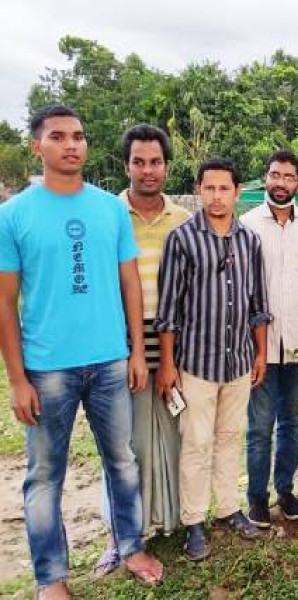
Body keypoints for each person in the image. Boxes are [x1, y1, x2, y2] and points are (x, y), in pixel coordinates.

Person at [0, 105, 163, 599]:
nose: (72, 144)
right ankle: (51, 578)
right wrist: (17, 379)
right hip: (48, 368)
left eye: (79, 136)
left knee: (123, 461)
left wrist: (136, 351)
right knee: (45, 476)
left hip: (111, 361)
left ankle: (131, 546)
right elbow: (5, 302)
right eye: (58, 136)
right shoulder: (13, 215)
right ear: (38, 146)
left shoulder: (109, 208)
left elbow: (129, 282)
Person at [155, 158, 271, 560]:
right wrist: (168, 364)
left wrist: (260, 352)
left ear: (238, 192)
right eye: (210, 188)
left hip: (239, 361)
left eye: (225, 188)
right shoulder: (182, 239)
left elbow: (258, 304)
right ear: (199, 190)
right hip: (196, 364)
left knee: (229, 438)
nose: (217, 196)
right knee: (197, 442)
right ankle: (193, 523)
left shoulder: (250, 241)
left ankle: (227, 509)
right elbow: (169, 308)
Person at [94, 124, 192, 577]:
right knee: (125, 442)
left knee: (172, 435)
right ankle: (122, 535)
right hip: (120, 340)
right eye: (139, 162)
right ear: (126, 165)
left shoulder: (182, 219)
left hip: (174, 339)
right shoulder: (105, 214)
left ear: (166, 166)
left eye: (155, 162)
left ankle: (168, 521)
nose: (148, 171)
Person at [241, 150, 298, 527]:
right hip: (259, 347)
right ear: (265, 178)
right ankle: (257, 499)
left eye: (289, 177)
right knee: (259, 426)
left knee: (291, 421)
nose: (281, 183)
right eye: (275, 175)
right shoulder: (246, 225)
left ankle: (285, 491)